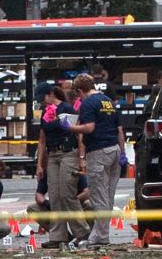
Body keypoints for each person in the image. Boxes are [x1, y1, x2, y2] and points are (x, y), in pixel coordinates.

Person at [65, 73, 126, 248]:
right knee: (108, 196)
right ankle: (102, 235)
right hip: (114, 150)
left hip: (98, 152)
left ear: (79, 90)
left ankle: (98, 237)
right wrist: (122, 153)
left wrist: (70, 127)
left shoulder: (87, 103)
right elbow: (119, 129)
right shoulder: (108, 101)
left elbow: (89, 128)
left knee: (99, 197)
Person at [33, 82, 90, 249]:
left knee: (67, 193)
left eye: (42, 97)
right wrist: (39, 165)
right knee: (55, 195)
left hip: (68, 153)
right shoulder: (45, 112)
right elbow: (42, 139)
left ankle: (82, 232)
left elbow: (78, 135)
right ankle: (58, 236)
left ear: (51, 94)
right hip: (53, 155)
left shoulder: (67, 109)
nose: (42, 102)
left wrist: (81, 157)